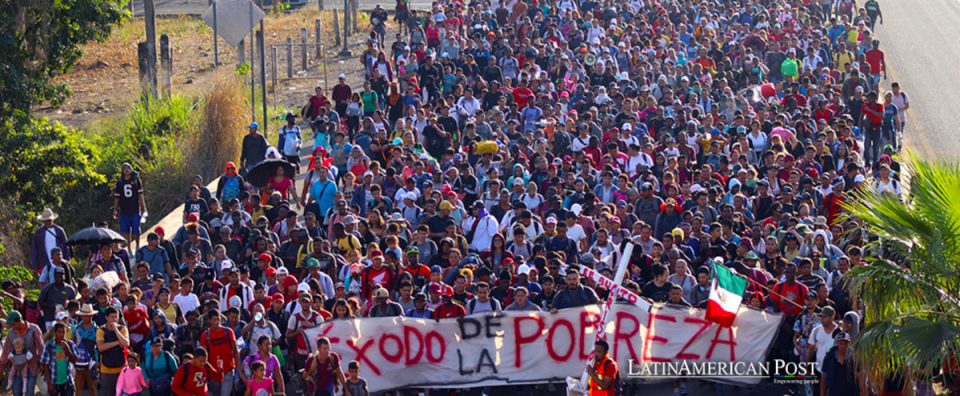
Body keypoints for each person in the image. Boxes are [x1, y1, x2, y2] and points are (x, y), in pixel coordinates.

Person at [199, 311, 240, 396]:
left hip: (228, 369)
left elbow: (235, 351)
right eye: (214, 320)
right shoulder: (205, 335)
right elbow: (204, 355)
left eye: (218, 319)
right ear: (209, 321)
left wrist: (237, 368)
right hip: (214, 372)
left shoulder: (228, 332)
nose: (217, 322)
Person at [39, 322, 80, 396]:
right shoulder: (49, 345)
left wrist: (67, 350)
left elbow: (75, 361)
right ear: (55, 332)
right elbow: (46, 365)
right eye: (59, 332)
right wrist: (49, 384)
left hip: (67, 381)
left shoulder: (70, 344)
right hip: (54, 381)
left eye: (64, 332)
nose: (62, 334)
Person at [114, 162, 147, 251]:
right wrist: (115, 209)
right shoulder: (120, 183)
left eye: (128, 168)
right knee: (126, 232)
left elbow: (140, 195)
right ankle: (129, 248)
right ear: (122, 170)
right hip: (124, 210)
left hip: (135, 209)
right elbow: (117, 197)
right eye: (125, 168)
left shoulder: (136, 181)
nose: (127, 170)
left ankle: (137, 246)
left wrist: (143, 208)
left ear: (131, 169)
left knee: (136, 230)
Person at [97, 307, 130, 396]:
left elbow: (126, 343)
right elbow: (101, 347)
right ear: (106, 318)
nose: (115, 319)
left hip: (121, 369)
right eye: (112, 317)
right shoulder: (101, 330)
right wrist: (117, 342)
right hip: (106, 370)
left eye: (116, 317)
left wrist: (116, 330)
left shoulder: (122, 329)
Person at [30, 208, 69, 276]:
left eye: (49, 220)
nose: (48, 222)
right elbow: (34, 250)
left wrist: (67, 262)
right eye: (46, 220)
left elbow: (66, 247)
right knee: (46, 285)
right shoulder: (39, 233)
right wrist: (35, 266)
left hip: (59, 264)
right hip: (44, 264)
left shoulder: (59, 231)